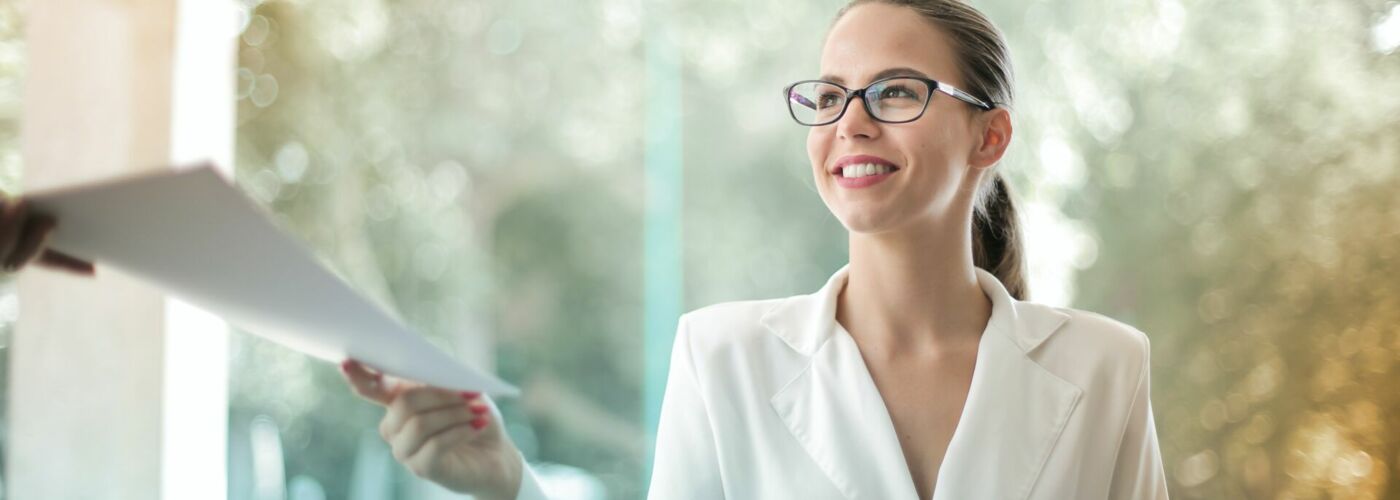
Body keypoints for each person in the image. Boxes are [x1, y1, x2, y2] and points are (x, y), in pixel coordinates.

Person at [340, 1, 1170, 499]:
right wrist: (511, 485)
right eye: (832, 94)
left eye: (895, 91)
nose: (851, 120)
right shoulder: (722, 355)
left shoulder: (1104, 367)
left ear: (990, 136)